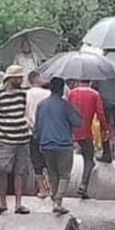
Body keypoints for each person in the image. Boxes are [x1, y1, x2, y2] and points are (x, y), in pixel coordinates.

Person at [0, 66, 33, 216]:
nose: (21, 80)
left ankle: (19, 204)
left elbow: (27, 109)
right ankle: (2, 203)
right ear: (10, 78)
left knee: (21, 171)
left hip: (23, 137)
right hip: (6, 138)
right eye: (18, 77)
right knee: (2, 170)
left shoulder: (23, 92)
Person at [33, 78, 81, 214]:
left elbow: (37, 127)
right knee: (64, 175)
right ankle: (58, 201)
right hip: (63, 145)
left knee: (52, 174)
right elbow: (78, 122)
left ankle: (54, 199)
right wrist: (75, 109)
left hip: (46, 144)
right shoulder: (65, 105)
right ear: (61, 89)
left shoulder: (41, 105)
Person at [67, 79, 107, 198]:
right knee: (89, 159)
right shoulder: (95, 94)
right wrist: (105, 128)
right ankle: (83, 185)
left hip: (72, 130)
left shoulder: (72, 93)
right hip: (85, 131)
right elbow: (100, 114)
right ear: (90, 81)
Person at [24, 71, 51, 199]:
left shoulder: (26, 95)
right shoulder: (48, 94)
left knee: (37, 163)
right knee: (51, 161)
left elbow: (24, 115)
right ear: (37, 79)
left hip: (32, 133)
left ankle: (42, 190)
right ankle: (52, 189)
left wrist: (32, 126)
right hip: (48, 132)